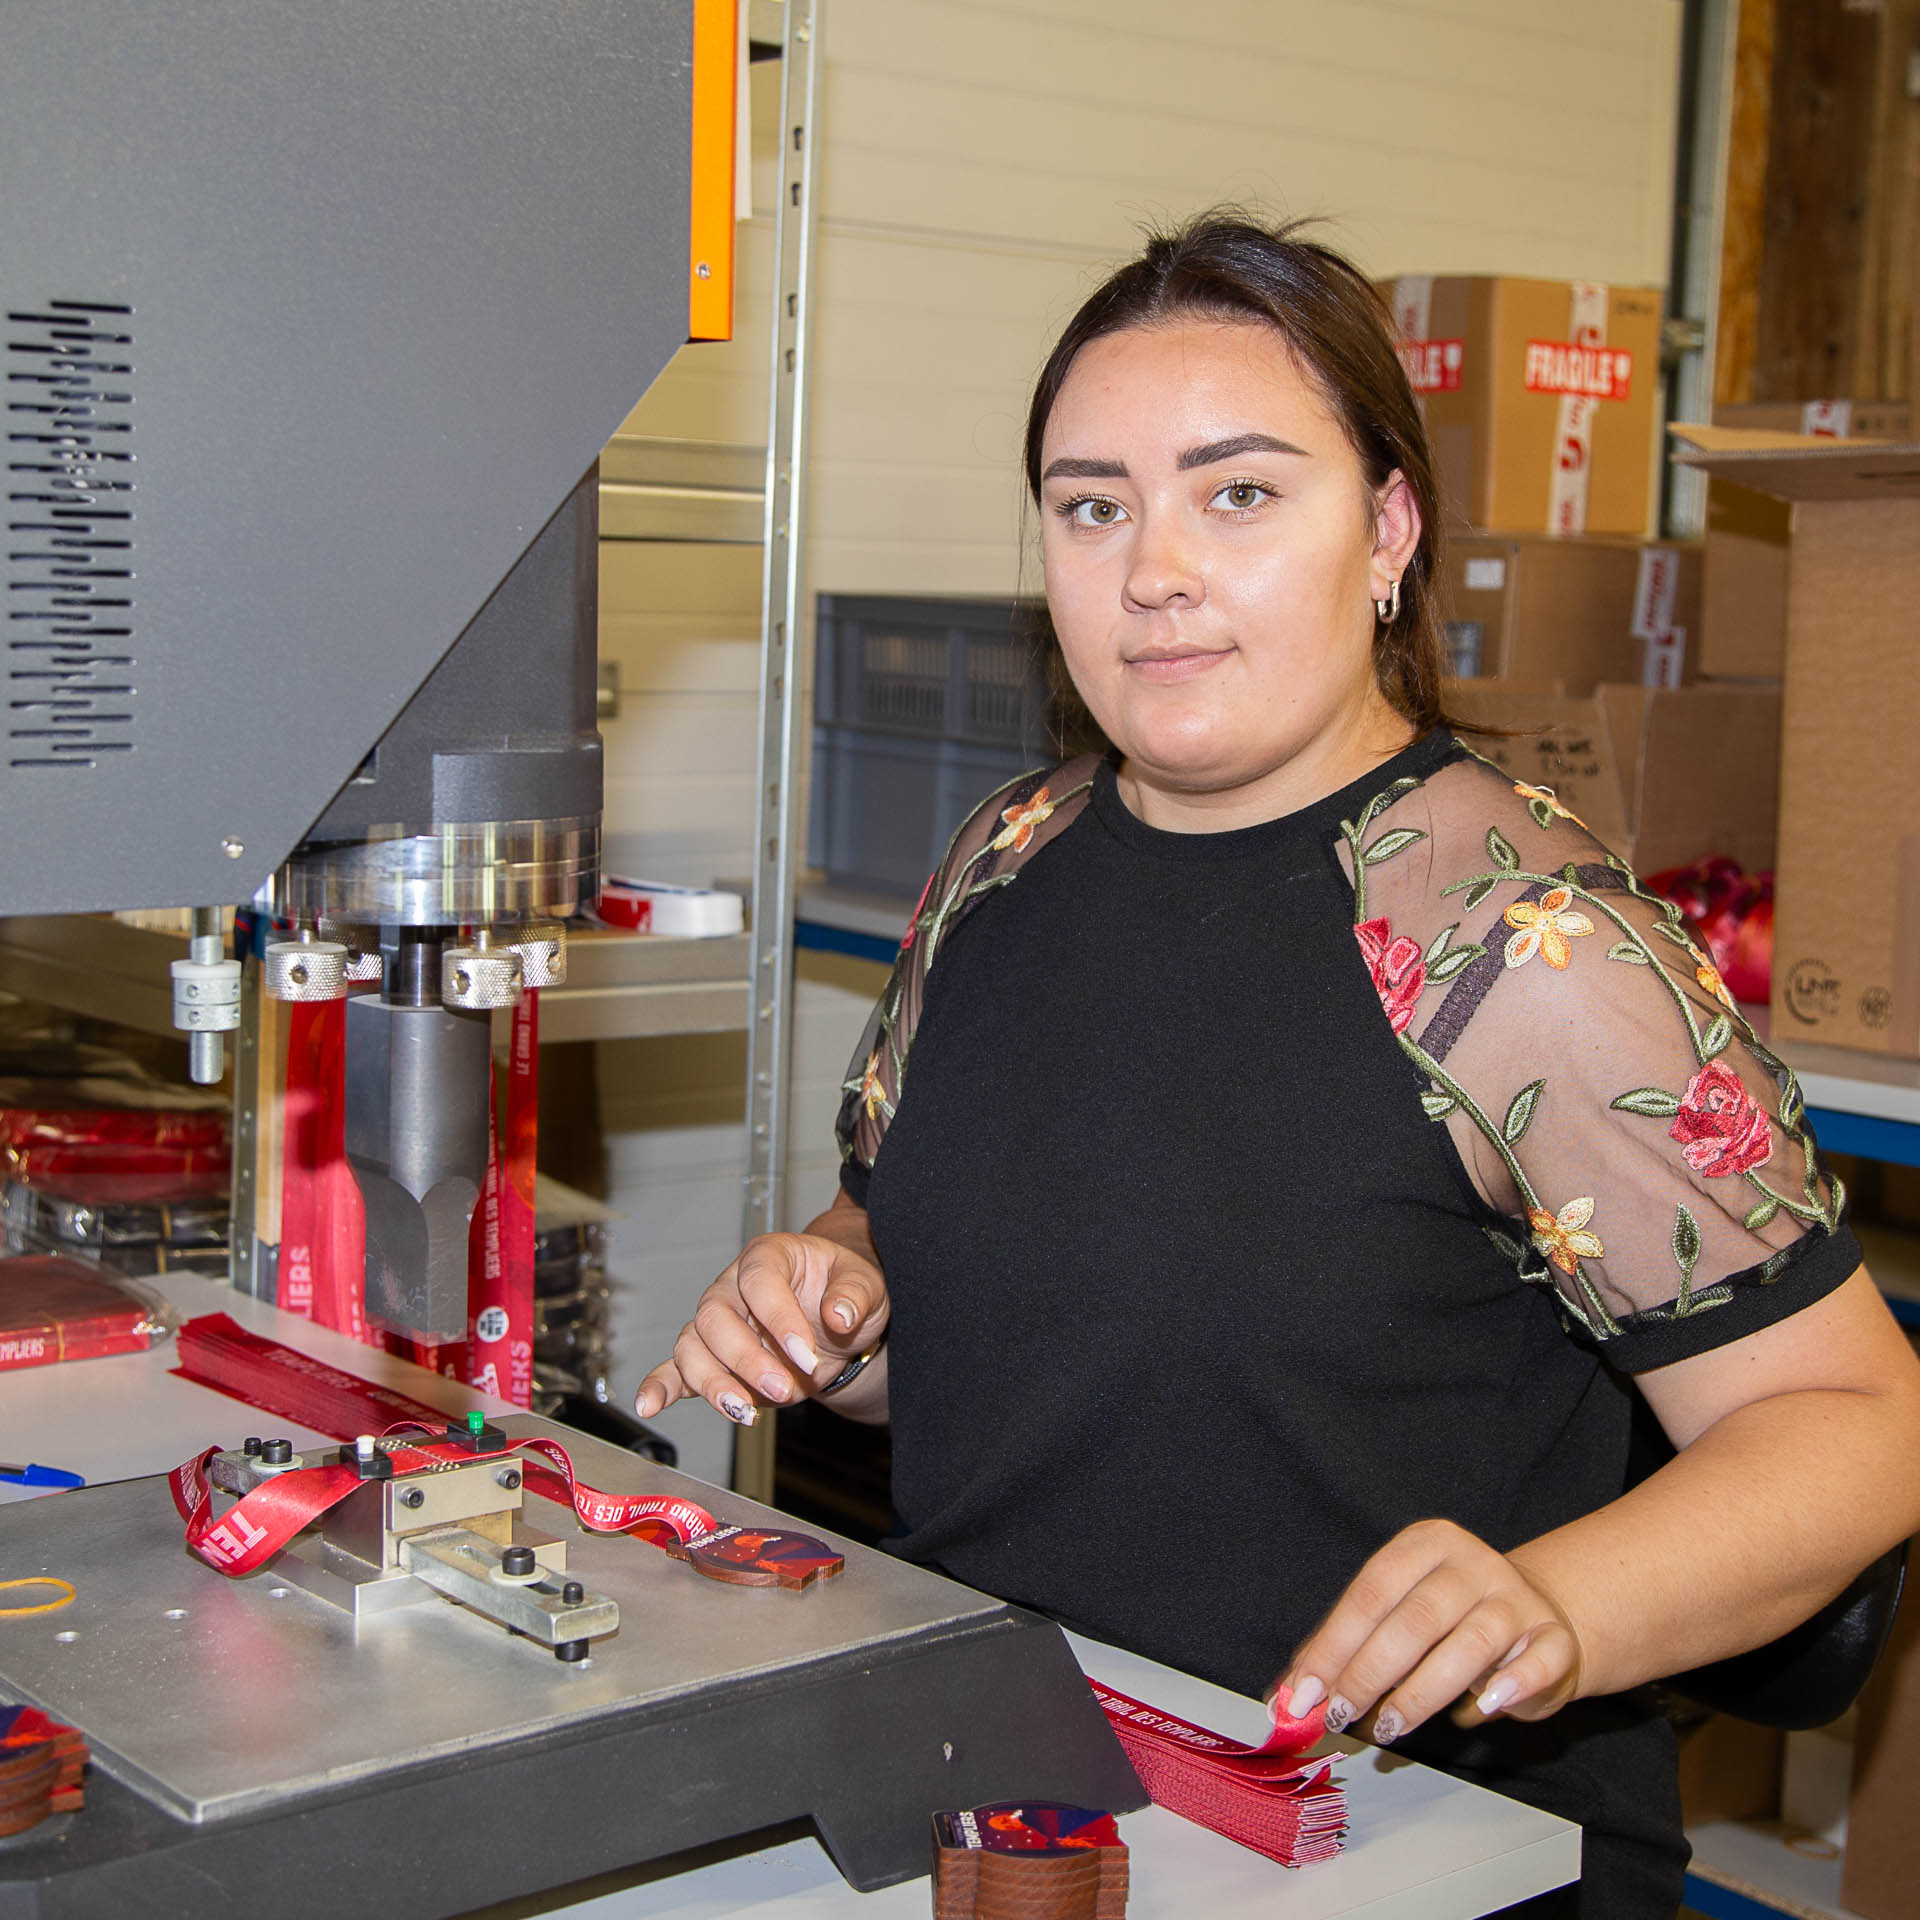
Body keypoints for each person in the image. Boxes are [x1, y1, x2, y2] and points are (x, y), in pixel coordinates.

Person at [636, 212, 1920, 1916]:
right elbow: (924, 1283)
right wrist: (834, 1304)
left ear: (1387, 529)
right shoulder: (1005, 866)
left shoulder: (1515, 944)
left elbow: (1851, 1421)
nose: (1152, 568)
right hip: (1024, 1801)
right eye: (1095, 506)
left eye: (1239, 493)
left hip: (1398, 1843)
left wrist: (1560, 1603)